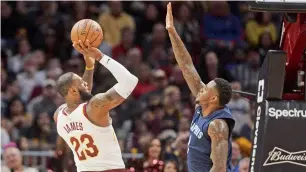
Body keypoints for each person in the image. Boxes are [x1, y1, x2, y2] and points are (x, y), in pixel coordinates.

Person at [166, 3, 235, 172]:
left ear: (213, 98)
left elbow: (219, 169)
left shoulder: (217, 126)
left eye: (205, 89)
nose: (200, 88)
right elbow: (186, 66)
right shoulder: (203, 103)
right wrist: (172, 31)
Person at [54, 39, 138, 172]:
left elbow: (82, 98)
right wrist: (100, 57)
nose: (85, 83)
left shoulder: (59, 115)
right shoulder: (95, 106)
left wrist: (89, 67)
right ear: (73, 91)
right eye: (81, 82)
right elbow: (130, 81)